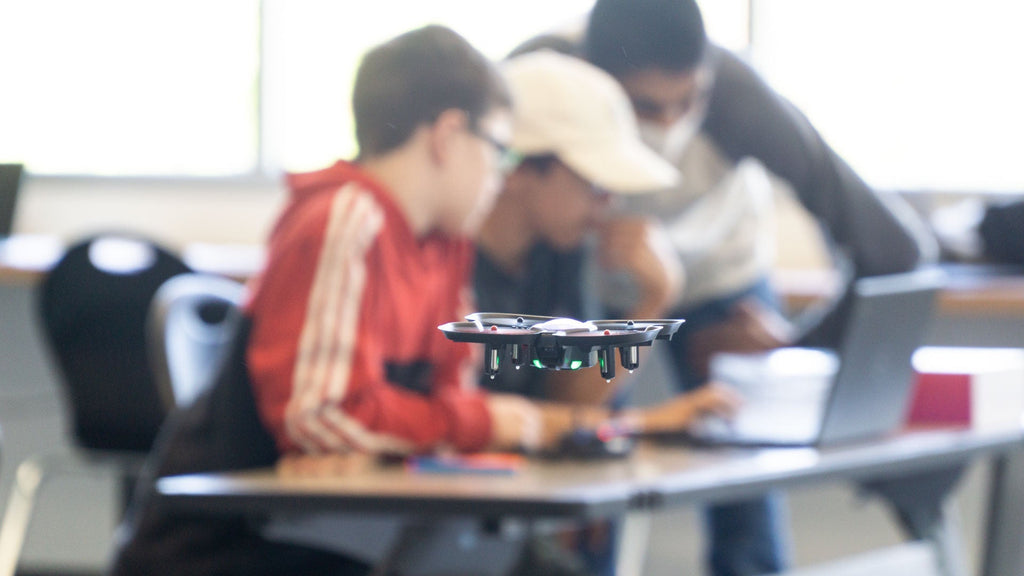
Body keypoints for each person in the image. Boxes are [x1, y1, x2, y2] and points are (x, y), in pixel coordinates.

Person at [111, 25, 737, 576]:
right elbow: (323, 417)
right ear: (447, 136)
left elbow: (444, 409)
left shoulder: (443, 247)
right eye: (498, 152)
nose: (497, 177)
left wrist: (454, 428)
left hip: (335, 534)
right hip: (228, 548)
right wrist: (473, 424)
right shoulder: (346, 217)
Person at [513, 1, 938, 575]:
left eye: (688, 103)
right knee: (587, 476)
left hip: (721, 272)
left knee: (746, 475)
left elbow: (893, 248)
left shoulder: (738, 95)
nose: (669, 125)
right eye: (646, 108)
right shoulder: (543, 85)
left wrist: (791, 355)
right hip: (592, 274)